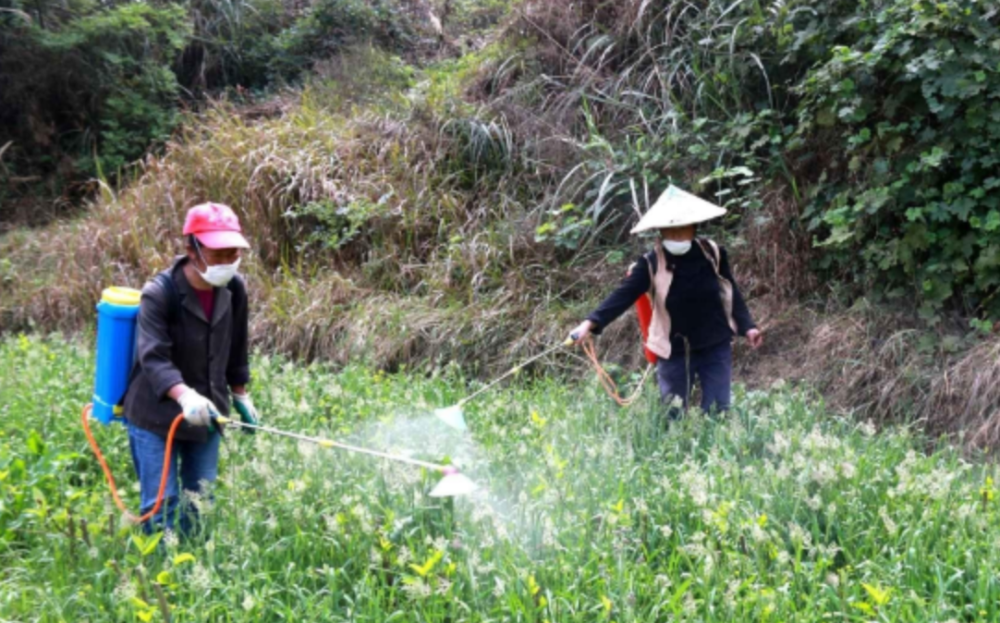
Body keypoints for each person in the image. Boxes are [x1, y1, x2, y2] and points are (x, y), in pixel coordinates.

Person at [122, 202, 260, 534]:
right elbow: (153, 358)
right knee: (162, 505)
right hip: (155, 415)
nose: (227, 262)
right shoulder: (159, 294)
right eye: (218, 253)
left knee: (200, 500)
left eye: (233, 253)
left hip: (208, 411)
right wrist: (185, 397)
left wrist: (241, 395)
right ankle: (160, 580)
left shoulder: (234, 288)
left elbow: (236, 345)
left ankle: (194, 570)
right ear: (191, 249)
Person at [570, 185, 763, 418]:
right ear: (661, 231)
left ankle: (714, 454)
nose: (677, 234)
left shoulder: (712, 253)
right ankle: (676, 454)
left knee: (718, 412)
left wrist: (748, 326)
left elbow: (730, 292)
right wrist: (589, 324)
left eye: (682, 227)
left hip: (715, 344)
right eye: (671, 229)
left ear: (693, 227)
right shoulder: (650, 264)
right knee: (673, 416)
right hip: (674, 351)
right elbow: (622, 296)